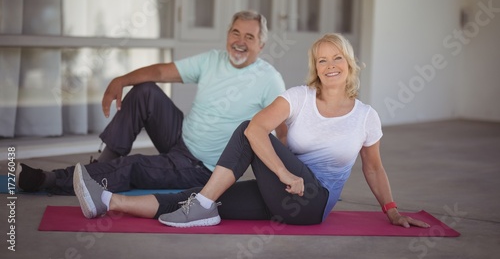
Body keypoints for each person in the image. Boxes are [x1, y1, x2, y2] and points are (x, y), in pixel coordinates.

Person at [73, 33, 430, 229]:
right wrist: (283, 172)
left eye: (337, 58)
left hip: (312, 203)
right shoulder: (298, 97)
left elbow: (373, 167)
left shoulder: (366, 116)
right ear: (315, 68)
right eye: (322, 60)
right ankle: (108, 202)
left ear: (349, 63)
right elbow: (264, 131)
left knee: (246, 128)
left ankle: (202, 204)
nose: (330, 65)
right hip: (283, 190)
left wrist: (392, 210)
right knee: (203, 195)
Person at [16, 10, 286, 195]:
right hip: (180, 139)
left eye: (249, 37)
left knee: (134, 166)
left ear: (261, 45)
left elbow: (282, 126)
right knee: (145, 90)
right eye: (235, 33)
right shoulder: (212, 60)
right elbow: (159, 73)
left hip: (202, 169)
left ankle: (49, 179)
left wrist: (290, 172)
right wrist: (120, 80)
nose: (239, 42)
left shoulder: (268, 80)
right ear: (228, 35)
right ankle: (104, 161)